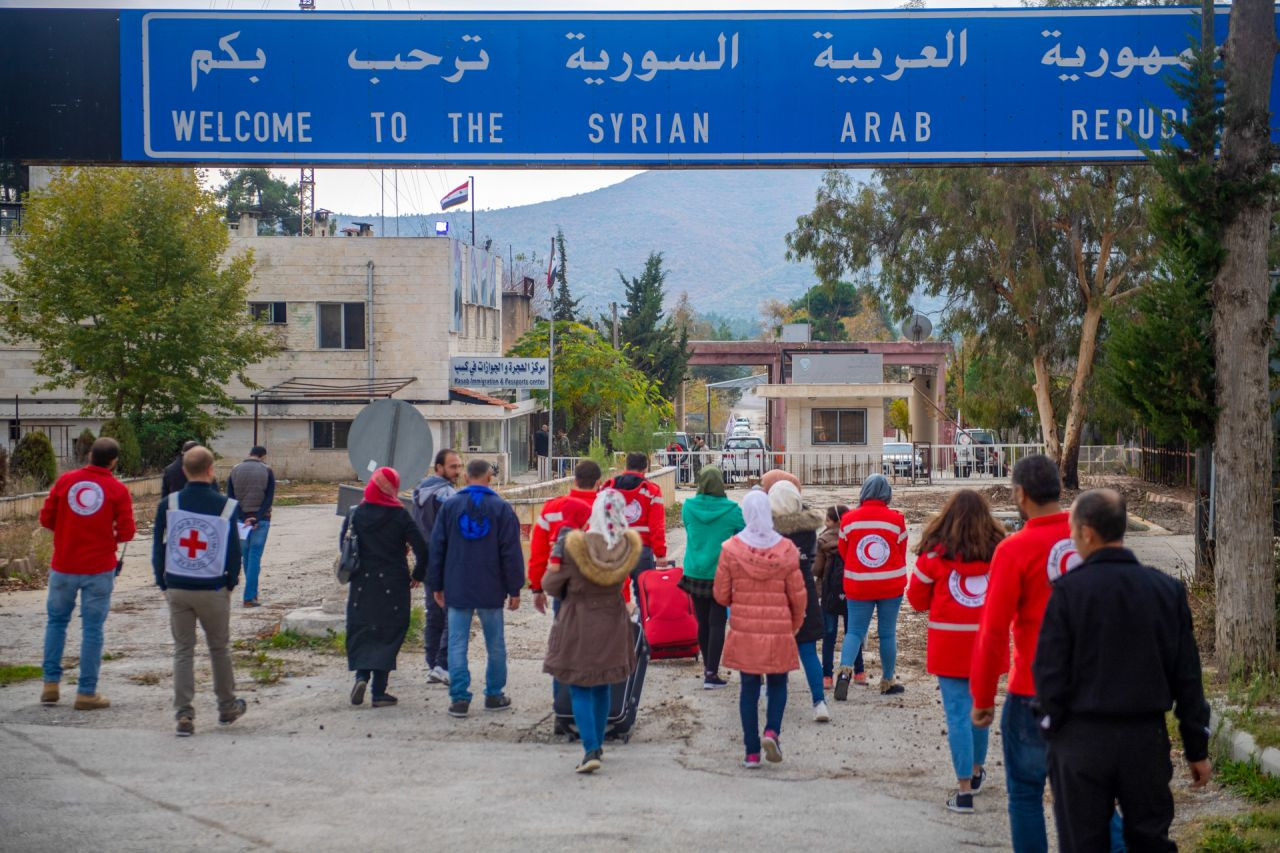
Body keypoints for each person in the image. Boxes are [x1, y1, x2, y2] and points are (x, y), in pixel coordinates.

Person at [1035, 489, 1212, 852]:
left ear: (1087, 532)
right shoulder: (1166, 591)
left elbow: (1049, 673)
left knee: (1083, 843)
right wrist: (1197, 747)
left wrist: (1050, 728)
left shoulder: (1067, 593)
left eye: (1072, 531)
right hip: (1144, 740)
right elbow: (1188, 678)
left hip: (1080, 740)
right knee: (1150, 840)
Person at [969, 455, 1081, 853]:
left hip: (1032, 691)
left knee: (1026, 796)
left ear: (1020, 494)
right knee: (1090, 799)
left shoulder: (1015, 550)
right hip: (1091, 692)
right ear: (1059, 488)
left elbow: (993, 631)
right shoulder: (1091, 538)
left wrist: (982, 699)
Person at [906, 489, 1006, 814]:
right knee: (982, 709)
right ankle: (977, 771)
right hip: (988, 645)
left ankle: (964, 791)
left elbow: (917, 599)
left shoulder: (934, 557)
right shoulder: (999, 554)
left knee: (958, 715)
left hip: (949, 646)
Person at [542, 489, 641, 774]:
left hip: (579, 621)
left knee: (579, 686)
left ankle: (589, 749)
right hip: (613, 620)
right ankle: (597, 744)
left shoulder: (576, 546)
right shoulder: (626, 548)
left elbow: (550, 584)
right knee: (603, 683)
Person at [152, 446, 246, 736]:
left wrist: (163, 582)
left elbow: (159, 547)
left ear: (183, 470)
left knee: (183, 651)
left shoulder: (168, 504)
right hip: (213, 588)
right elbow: (234, 551)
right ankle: (227, 706)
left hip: (178, 586)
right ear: (211, 470)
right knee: (219, 648)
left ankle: (184, 714)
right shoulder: (227, 506)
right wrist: (230, 583)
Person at [39, 437, 136, 710]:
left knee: (56, 623)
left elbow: (46, 518)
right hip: (99, 568)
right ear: (114, 461)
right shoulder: (117, 489)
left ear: (90, 454)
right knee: (92, 629)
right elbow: (127, 531)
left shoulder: (66, 481)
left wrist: (69, 532)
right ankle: (86, 692)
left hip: (64, 565)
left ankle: (50, 684)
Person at [715, 489, 806, 769]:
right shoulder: (787, 549)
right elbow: (798, 596)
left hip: (745, 629)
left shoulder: (731, 549)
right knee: (778, 684)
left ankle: (751, 752)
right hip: (778, 627)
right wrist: (794, 623)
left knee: (749, 689)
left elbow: (721, 594)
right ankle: (772, 732)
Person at [428, 459, 525, 718]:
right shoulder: (502, 509)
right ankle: (494, 695)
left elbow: (437, 548)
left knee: (457, 642)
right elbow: (511, 553)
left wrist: (436, 585)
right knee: (495, 644)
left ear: (466, 477)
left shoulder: (450, 507)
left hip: (457, 587)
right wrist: (515, 588)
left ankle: (459, 699)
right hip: (491, 588)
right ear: (489, 479)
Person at [342, 466, 428, 708]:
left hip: (362, 582)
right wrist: (418, 574)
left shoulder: (355, 514)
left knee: (362, 628)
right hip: (393, 583)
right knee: (390, 631)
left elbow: (345, 546)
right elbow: (423, 549)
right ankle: (379, 692)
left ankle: (361, 676)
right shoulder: (400, 516)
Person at [835, 474, 909, 699]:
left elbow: (843, 551)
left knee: (855, 631)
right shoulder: (896, 520)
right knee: (887, 633)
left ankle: (844, 674)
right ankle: (887, 681)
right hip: (890, 584)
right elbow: (901, 550)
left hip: (858, 584)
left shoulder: (848, 520)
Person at [766, 476, 831, 723]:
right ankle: (819, 702)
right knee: (807, 650)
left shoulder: (767, 529)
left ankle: (772, 699)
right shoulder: (808, 530)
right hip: (804, 592)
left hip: (774, 594)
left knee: (772, 652)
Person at [680, 465, 743, 689]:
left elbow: (689, 529)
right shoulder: (732, 509)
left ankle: (707, 666)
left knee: (702, 621)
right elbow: (742, 533)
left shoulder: (688, 507)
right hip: (721, 572)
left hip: (694, 570)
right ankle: (712, 673)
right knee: (718, 622)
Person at [410, 448, 463, 686]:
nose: (457, 471)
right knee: (453, 615)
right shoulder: (447, 495)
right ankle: (442, 664)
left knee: (434, 615)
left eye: (459, 466)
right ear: (439, 468)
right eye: (453, 467)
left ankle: (432, 664)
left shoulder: (420, 492)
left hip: (429, 562)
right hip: (447, 563)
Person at [529, 460, 600, 616]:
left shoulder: (552, 507)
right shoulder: (606, 509)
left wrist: (537, 588)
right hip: (598, 587)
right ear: (598, 482)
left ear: (575, 481)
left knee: (564, 635)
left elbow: (539, 552)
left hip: (564, 585)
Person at [601, 452, 667, 599]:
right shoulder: (651, 491)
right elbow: (657, 526)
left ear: (626, 466)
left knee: (616, 597)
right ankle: (642, 622)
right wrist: (660, 554)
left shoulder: (608, 488)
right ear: (645, 469)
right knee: (645, 597)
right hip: (641, 549)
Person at [813, 504, 863, 689]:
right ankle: (859, 672)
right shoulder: (854, 537)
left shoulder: (823, 539)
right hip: (852, 590)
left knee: (829, 635)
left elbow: (817, 569)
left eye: (827, 520)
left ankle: (827, 677)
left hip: (829, 593)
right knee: (853, 633)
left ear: (834, 521)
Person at [226, 445, 275, 608]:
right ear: (263, 456)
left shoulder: (235, 470)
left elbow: (231, 498)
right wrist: (256, 518)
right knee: (254, 556)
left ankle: (251, 592)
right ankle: (249, 596)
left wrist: (243, 517)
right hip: (261, 521)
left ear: (250, 454)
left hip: (240, 521)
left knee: (246, 556)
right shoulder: (267, 471)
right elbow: (269, 498)